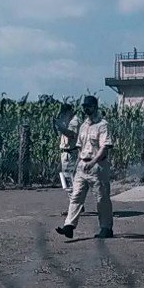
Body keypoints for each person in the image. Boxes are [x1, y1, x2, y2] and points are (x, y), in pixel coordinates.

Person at [54, 95, 114, 240]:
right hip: (82, 164)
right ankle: (69, 226)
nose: (86, 109)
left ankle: (106, 228)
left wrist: (93, 162)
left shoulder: (102, 125)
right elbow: (80, 146)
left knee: (101, 199)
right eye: (84, 106)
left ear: (95, 107)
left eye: (89, 106)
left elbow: (104, 147)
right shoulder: (84, 125)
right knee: (76, 196)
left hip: (97, 165)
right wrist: (79, 164)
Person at [52, 102, 84, 217]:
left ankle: (75, 208)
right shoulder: (70, 121)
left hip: (70, 154)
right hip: (67, 154)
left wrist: (60, 127)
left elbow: (71, 134)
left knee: (69, 183)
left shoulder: (74, 121)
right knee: (70, 182)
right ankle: (77, 205)